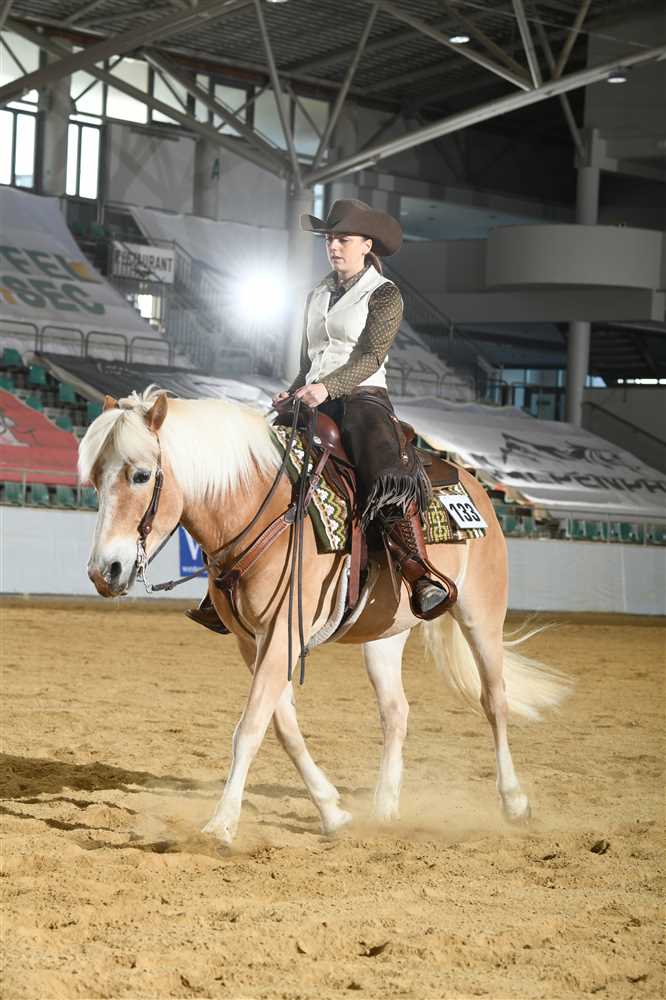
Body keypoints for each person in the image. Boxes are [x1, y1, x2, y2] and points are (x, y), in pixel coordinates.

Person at [272, 198, 451, 620]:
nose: (334, 247)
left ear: (367, 245)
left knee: (383, 470)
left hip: (363, 398)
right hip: (314, 394)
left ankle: (417, 572)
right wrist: (292, 392)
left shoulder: (385, 294)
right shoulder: (316, 294)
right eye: (330, 240)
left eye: (344, 240)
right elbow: (308, 361)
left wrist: (327, 387)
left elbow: (371, 356)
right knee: (261, 451)